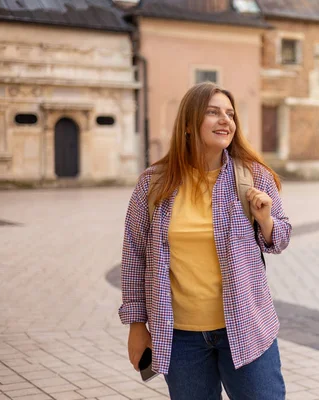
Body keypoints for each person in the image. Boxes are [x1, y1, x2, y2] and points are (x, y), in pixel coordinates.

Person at [119, 82, 292, 399]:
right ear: (188, 124)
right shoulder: (153, 184)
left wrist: (265, 218)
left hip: (247, 327)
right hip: (180, 337)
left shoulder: (254, 176)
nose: (225, 120)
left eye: (230, 113)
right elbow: (134, 257)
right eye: (213, 112)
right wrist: (136, 325)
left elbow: (279, 239)